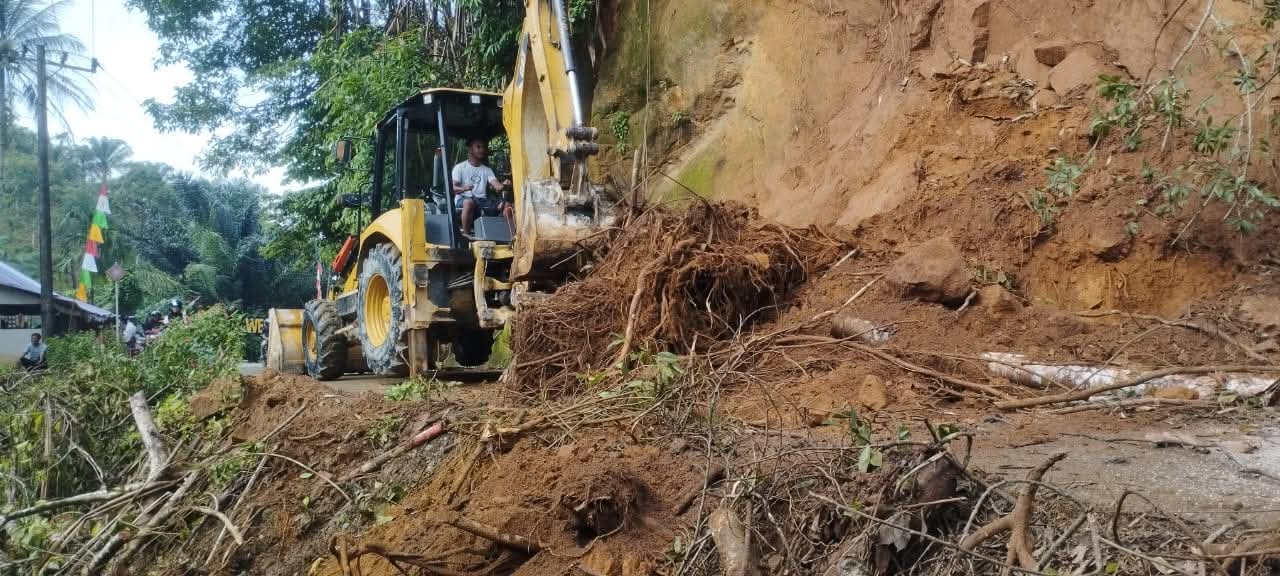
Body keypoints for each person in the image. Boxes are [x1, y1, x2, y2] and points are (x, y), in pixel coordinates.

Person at [452, 137, 513, 238]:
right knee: (469, 202)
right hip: (463, 200)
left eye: (483, 147)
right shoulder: (460, 168)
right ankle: (467, 236)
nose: (482, 149)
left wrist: (505, 185)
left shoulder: (487, 170)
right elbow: (453, 188)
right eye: (478, 147)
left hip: (482, 201)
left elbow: (498, 187)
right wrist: (464, 189)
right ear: (470, 149)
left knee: (507, 205)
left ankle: (510, 237)